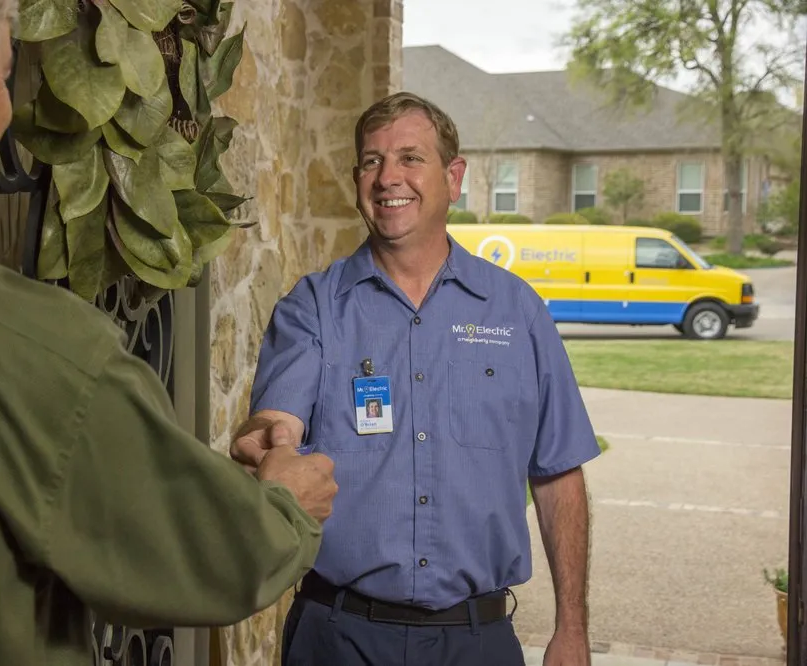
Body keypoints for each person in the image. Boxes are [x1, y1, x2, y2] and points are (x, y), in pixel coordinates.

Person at [0, 1, 338, 665]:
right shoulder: (25, 344)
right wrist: (287, 506)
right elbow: (216, 553)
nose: (8, 114)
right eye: (5, 81)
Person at [231, 92, 601, 666]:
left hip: (478, 640)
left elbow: (558, 475)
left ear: (453, 179)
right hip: (338, 638)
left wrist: (571, 628)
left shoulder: (516, 311)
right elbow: (277, 422)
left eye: (410, 158)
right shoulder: (313, 309)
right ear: (358, 180)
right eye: (372, 162)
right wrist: (269, 442)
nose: (388, 178)